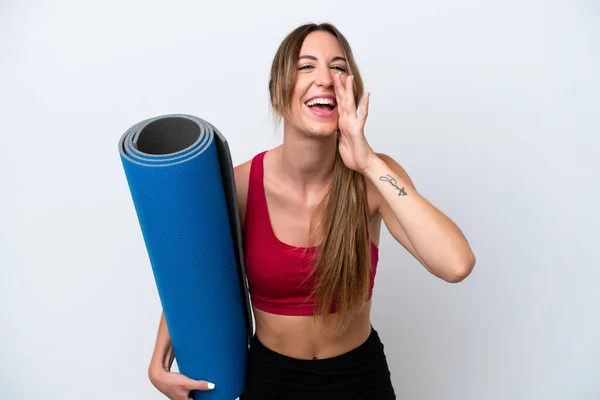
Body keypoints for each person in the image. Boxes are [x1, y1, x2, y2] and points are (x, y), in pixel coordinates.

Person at [147, 22, 476, 400]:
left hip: (359, 380)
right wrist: (159, 361)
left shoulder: (374, 179)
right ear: (278, 91)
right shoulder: (238, 186)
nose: (325, 78)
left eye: (338, 67)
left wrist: (369, 162)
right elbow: (192, 275)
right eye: (307, 66)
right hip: (270, 380)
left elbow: (456, 264)